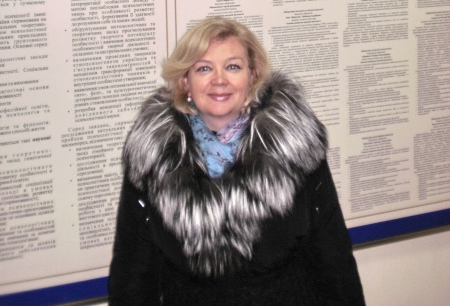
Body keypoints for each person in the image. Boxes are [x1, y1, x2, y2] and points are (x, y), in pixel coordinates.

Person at [108, 16, 365, 306]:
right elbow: (132, 273)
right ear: (185, 81)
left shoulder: (295, 146)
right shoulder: (153, 155)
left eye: (233, 67)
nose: (219, 80)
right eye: (204, 68)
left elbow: (333, 257)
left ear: (252, 76)